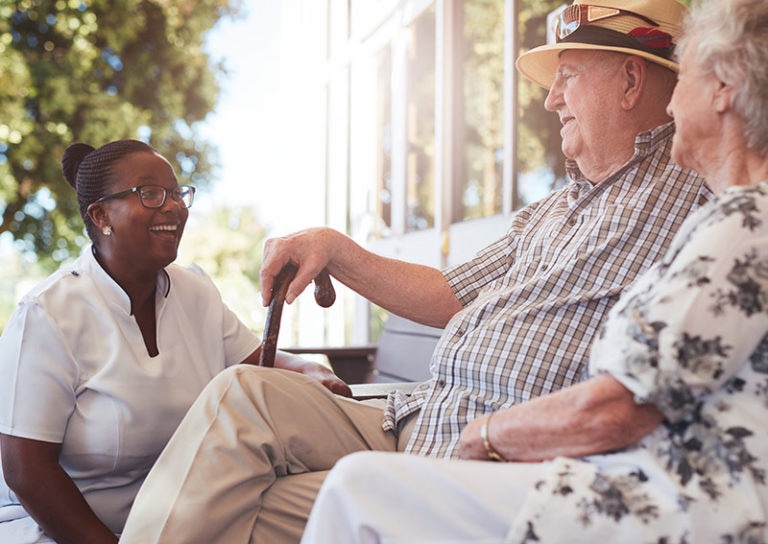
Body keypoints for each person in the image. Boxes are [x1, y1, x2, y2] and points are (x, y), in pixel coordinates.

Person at [120, 0, 713, 542]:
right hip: (420, 415)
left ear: (632, 80)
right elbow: (450, 292)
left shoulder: (697, 193)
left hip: (490, 457)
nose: (550, 98)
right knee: (240, 395)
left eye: (568, 75)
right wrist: (336, 248)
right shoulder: (552, 210)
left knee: (245, 507)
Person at [300, 0, 768, 540]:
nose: (672, 105)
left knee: (359, 489)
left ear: (723, 89)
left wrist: (490, 435)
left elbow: (620, 408)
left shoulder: (737, 219)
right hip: (626, 481)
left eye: (683, 76)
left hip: (661, 504)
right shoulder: (722, 219)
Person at [0, 140, 350, 543]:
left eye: (178, 193)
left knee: (334, 499)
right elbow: (27, 472)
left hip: (183, 514)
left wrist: (309, 370)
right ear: (101, 216)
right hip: (63, 530)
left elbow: (258, 363)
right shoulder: (48, 315)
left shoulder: (195, 291)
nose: (174, 207)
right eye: (150, 194)